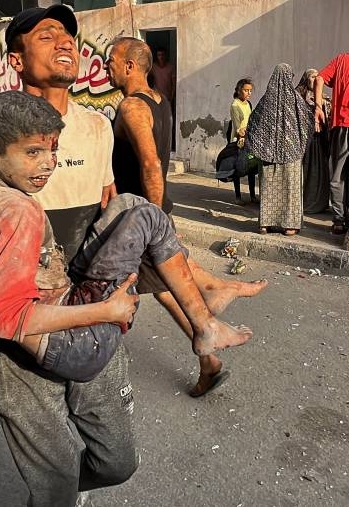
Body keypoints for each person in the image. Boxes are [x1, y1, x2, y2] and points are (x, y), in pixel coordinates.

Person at [0, 91, 250, 382]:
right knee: (148, 217)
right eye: (33, 152)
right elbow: (7, 320)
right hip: (75, 344)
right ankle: (205, 321)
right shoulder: (19, 210)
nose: (49, 163)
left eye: (52, 150)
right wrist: (107, 310)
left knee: (128, 205)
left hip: (66, 313)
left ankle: (206, 314)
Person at [0, 5, 138, 504]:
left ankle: (68, 488)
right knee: (50, 481)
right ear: (17, 59)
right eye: (48, 35)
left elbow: (109, 206)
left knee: (117, 461)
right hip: (23, 323)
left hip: (91, 314)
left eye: (69, 35)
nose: (66, 42)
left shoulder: (97, 126)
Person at [107, 35, 266, 397]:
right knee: (165, 286)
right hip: (157, 208)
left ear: (130, 66)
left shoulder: (132, 106)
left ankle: (209, 337)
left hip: (142, 214)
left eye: (111, 60)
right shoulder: (160, 100)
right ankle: (214, 317)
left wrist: (152, 221)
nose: (106, 66)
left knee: (162, 286)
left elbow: (149, 163)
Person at [246, 63, 314, 236]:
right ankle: (289, 226)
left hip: (268, 153)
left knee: (269, 187)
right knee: (290, 188)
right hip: (292, 153)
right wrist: (300, 143)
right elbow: (307, 123)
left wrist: (260, 145)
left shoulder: (265, 100)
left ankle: (265, 225)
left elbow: (252, 123)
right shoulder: (296, 99)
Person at [315, 33, 349, 235]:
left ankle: (338, 219)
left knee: (337, 175)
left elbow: (319, 78)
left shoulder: (343, 59)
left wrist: (318, 106)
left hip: (342, 124)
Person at [296, 68, 330, 214]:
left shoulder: (322, 97)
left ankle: (318, 202)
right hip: (303, 140)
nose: (315, 80)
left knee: (319, 171)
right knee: (304, 170)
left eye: (318, 77)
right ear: (305, 79)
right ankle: (301, 202)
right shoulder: (297, 96)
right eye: (312, 77)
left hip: (319, 140)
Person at [229, 78, 258, 205]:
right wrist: (247, 130)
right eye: (246, 90)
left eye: (250, 91)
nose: (248, 93)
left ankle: (252, 195)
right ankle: (238, 196)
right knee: (238, 168)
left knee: (251, 167)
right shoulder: (235, 105)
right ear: (239, 90)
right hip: (239, 141)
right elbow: (238, 128)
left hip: (249, 140)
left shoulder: (248, 104)